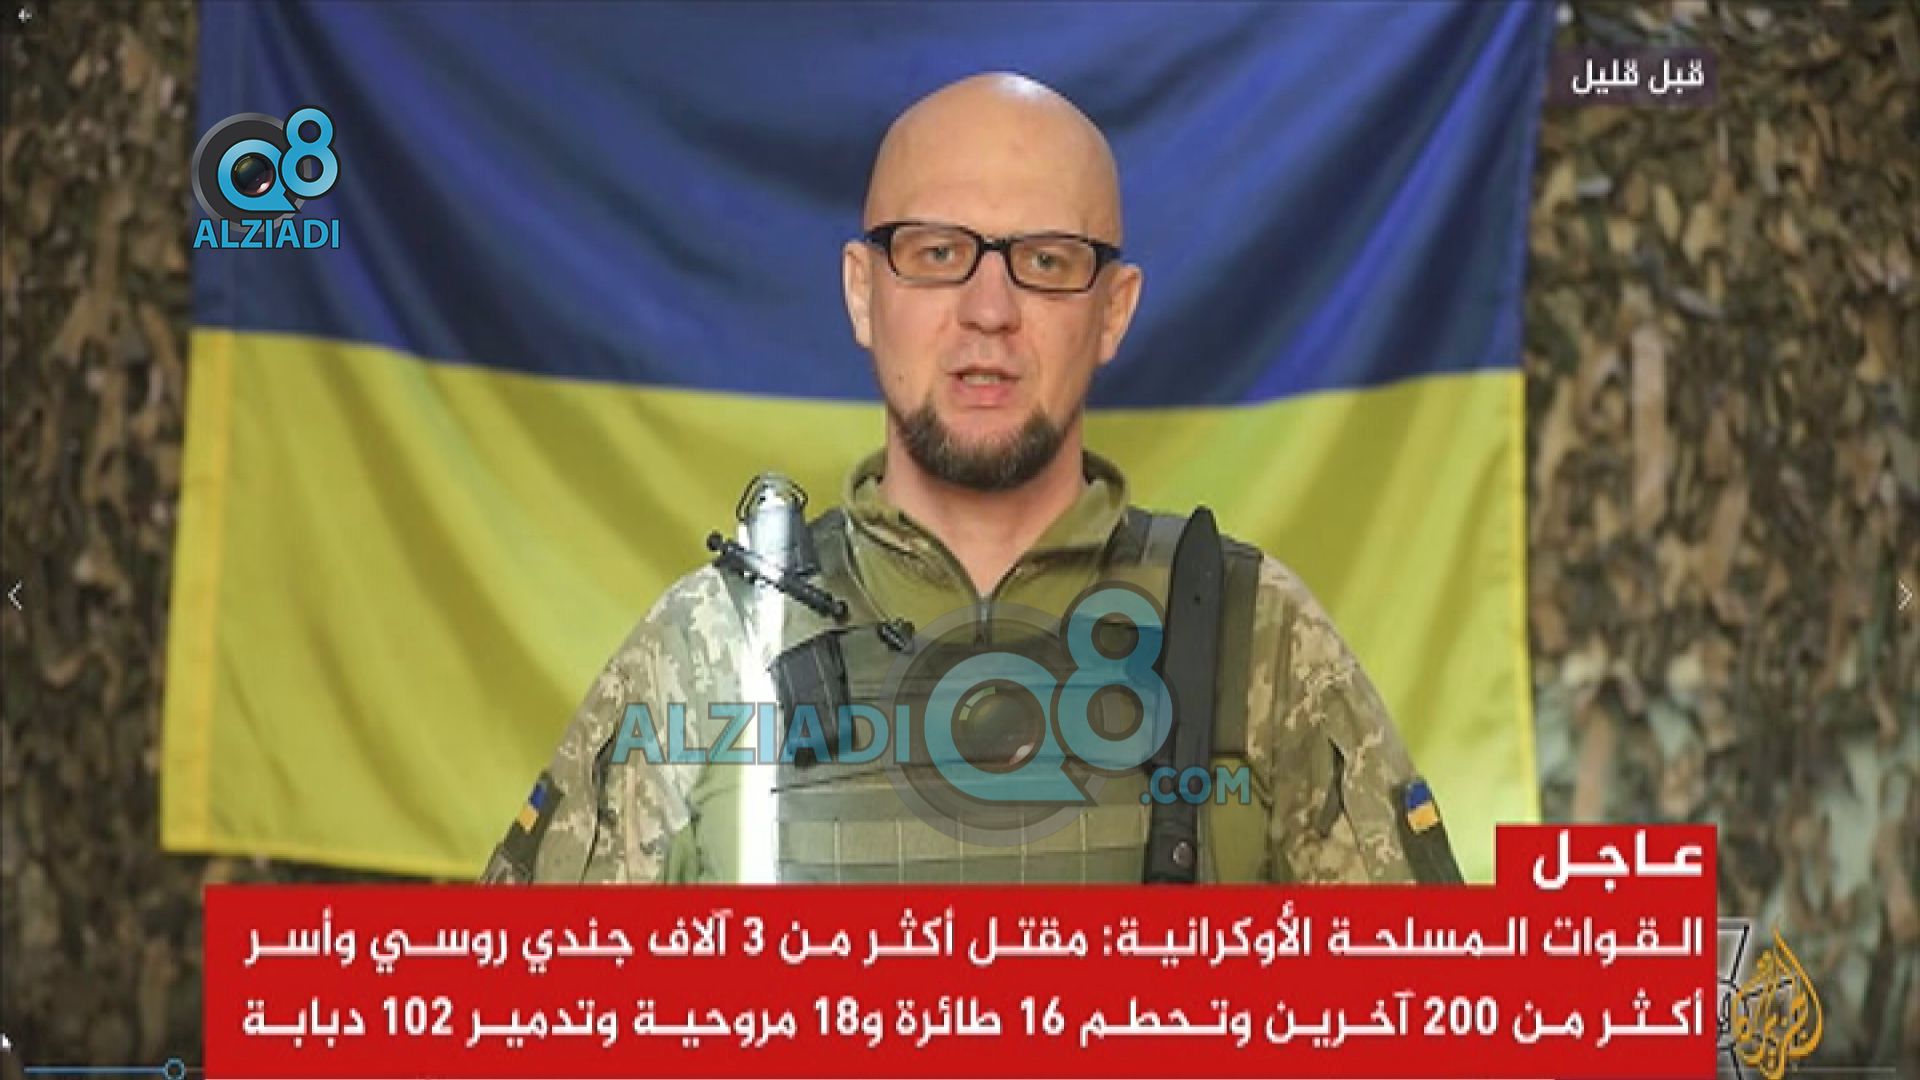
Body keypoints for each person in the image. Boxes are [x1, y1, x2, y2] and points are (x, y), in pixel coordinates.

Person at [482, 72, 1464, 886]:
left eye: (1047, 261)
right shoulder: (711, 648)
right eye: (938, 252)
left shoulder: (1260, 640)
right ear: (863, 292)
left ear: (1113, 312)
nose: (988, 309)